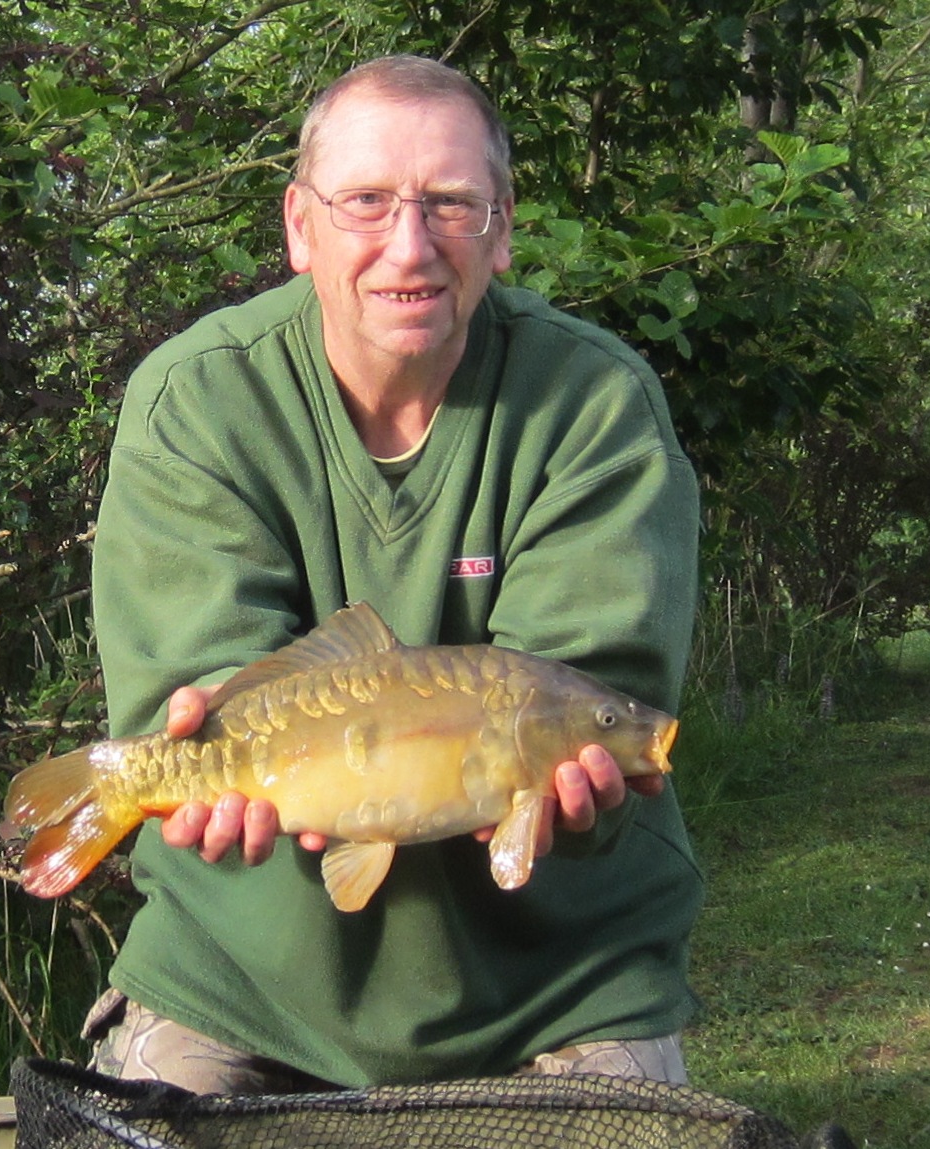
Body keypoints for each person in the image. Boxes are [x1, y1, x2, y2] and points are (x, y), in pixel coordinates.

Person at [85, 54, 704, 1093]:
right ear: (298, 227)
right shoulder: (192, 401)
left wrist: (573, 778)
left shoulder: (596, 404)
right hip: (240, 972)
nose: (407, 245)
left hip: (558, 976)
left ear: (502, 231)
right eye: (364, 202)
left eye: (451, 205)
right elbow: (197, 689)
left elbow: (578, 694)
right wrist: (208, 761)